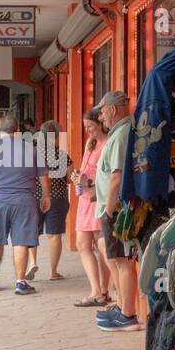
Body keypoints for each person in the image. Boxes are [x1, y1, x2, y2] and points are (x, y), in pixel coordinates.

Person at [0, 111, 51, 295]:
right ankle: (20, 282)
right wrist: (46, 197)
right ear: (18, 130)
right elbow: (44, 177)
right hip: (25, 202)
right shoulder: (31, 149)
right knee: (21, 242)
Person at [94, 90, 141, 331]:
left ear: (113, 109)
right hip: (115, 208)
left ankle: (128, 315)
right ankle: (123, 308)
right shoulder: (120, 133)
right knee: (118, 260)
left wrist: (109, 211)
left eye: (102, 111)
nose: (101, 117)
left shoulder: (122, 134)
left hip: (117, 210)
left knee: (123, 262)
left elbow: (116, 177)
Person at [71, 107, 112, 307]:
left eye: (90, 126)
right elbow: (86, 169)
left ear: (101, 123)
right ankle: (96, 290)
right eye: (85, 127)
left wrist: (89, 180)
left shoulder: (108, 144)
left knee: (100, 246)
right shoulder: (91, 143)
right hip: (85, 199)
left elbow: (110, 175)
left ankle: (103, 290)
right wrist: (78, 176)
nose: (88, 130)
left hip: (99, 198)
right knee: (82, 244)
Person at [37, 119, 71, 280]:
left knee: (31, 232)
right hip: (57, 198)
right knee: (54, 235)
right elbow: (71, 178)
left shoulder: (33, 154)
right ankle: (53, 272)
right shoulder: (62, 156)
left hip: (35, 197)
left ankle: (31, 264)